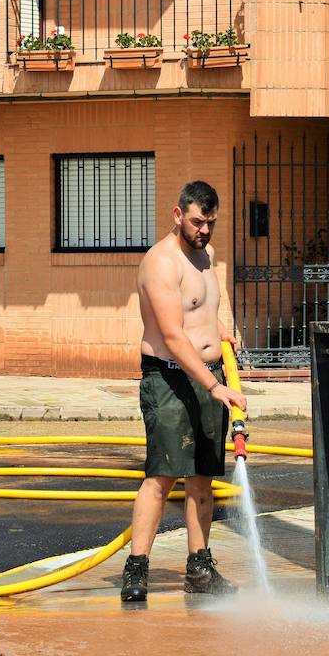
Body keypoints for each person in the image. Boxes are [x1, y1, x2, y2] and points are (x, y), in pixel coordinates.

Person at [122, 181, 248, 603]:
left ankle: (200, 569)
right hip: (171, 377)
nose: (204, 231)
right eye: (197, 222)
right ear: (177, 214)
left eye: (210, 223)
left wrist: (221, 332)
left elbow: (207, 305)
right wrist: (215, 386)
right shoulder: (161, 262)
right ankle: (136, 570)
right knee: (161, 476)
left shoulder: (207, 255)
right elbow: (174, 337)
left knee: (202, 480)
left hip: (208, 374)